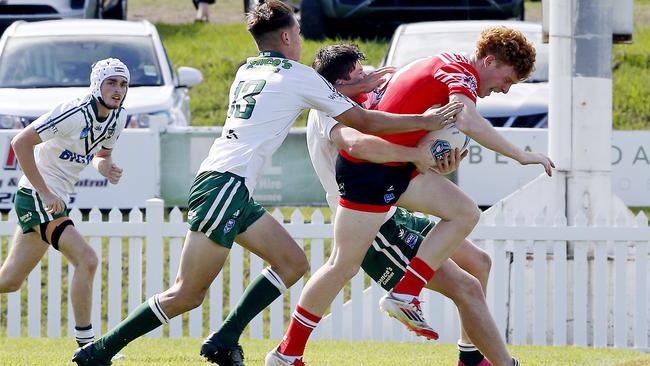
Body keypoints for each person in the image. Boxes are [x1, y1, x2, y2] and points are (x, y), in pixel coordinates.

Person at [72, 1, 461, 365]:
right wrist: (428, 122)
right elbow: (368, 122)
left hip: (224, 184)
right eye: (300, 32)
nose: (302, 39)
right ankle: (101, 351)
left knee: (292, 263)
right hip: (225, 187)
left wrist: (361, 84)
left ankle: (225, 338)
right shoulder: (299, 77)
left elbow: (314, 94)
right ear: (289, 37)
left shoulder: (248, 69)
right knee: (187, 293)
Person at [268, 27, 554, 366]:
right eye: (508, 79)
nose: (506, 89)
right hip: (369, 184)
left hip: (394, 176)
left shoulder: (441, 69)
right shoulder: (455, 73)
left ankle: (437, 324)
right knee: (342, 266)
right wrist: (520, 154)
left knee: (469, 228)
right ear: (490, 60)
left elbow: (411, 136)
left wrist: (432, 162)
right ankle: (287, 354)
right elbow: (459, 121)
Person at [0, 58, 129, 348]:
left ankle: (87, 347)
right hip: (35, 197)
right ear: (97, 84)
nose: (118, 89)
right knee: (88, 259)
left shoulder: (117, 117)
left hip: (52, 200)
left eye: (123, 84)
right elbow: (20, 142)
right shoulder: (73, 112)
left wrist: (105, 168)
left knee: (9, 280)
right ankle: (88, 347)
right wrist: (45, 192)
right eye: (111, 82)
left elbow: (101, 156)